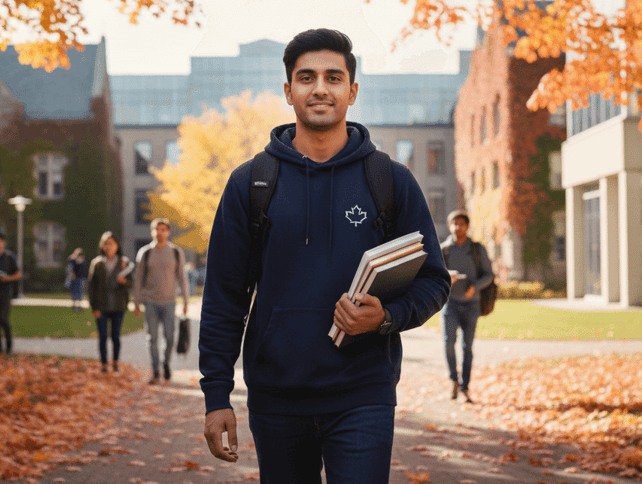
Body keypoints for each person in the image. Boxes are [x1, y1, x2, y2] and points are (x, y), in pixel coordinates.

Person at [198, 28, 451, 483]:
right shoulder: (250, 183)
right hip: (277, 398)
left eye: (334, 78)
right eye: (306, 77)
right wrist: (217, 396)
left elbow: (434, 280)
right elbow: (224, 297)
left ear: (352, 92)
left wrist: (386, 317)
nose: (320, 88)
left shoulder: (390, 181)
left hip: (364, 394)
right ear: (288, 91)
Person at [439, 210, 494, 404]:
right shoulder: (444, 249)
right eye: (454, 223)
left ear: (467, 226)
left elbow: (489, 275)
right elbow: (434, 275)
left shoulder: (477, 249)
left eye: (461, 224)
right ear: (449, 226)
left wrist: (474, 287)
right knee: (448, 344)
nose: (457, 227)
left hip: (472, 304)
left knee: (467, 347)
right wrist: (448, 278)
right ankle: (454, 379)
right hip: (450, 304)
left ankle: (465, 386)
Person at [133, 218, 190, 385]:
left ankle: (166, 363)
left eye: (164, 229)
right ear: (152, 232)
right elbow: (138, 279)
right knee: (152, 338)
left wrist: (186, 300)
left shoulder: (176, 252)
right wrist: (136, 302)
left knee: (170, 337)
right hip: (150, 302)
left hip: (169, 302)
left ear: (168, 232)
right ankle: (155, 370)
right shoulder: (145, 252)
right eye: (157, 229)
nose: (160, 232)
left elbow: (182, 278)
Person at [87, 232, 133, 373]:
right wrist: (94, 306)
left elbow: (131, 282)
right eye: (106, 243)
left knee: (115, 336)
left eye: (111, 243)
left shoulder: (123, 263)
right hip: (101, 306)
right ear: (102, 245)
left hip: (118, 306)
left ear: (117, 245)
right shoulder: (97, 263)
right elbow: (91, 287)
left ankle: (116, 363)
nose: (108, 246)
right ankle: (103, 364)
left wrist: (124, 281)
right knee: (102, 336)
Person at [67, 248, 88, 312]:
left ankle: (78, 307)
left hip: (82, 280)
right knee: (75, 294)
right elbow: (69, 262)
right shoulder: (73, 261)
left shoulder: (83, 261)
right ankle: (75, 306)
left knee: (80, 294)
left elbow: (85, 271)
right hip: (75, 280)